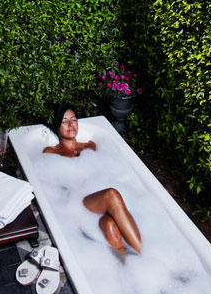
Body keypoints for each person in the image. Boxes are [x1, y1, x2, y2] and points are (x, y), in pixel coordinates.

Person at [43, 103, 142, 255]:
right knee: (112, 194)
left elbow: (107, 171)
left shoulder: (90, 146)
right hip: (80, 201)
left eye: (73, 119)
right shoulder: (51, 151)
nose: (70, 124)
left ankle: (128, 265)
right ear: (57, 127)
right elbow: (55, 182)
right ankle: (144, 254)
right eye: (64, 121)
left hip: (100, 197)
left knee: (108, 224)